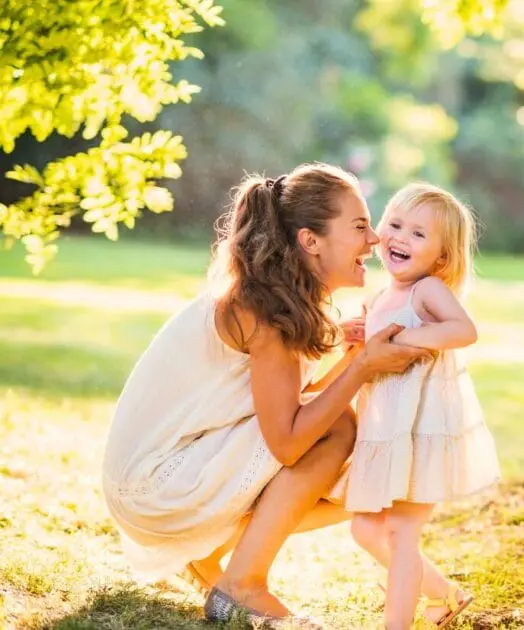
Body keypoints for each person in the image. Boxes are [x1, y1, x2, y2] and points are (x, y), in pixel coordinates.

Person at [101, 163, 431, 622]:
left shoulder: (278, 298)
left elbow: (285, 401)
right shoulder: (265, 311)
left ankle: (214, 555)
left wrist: (348, 352)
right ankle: (243, 585)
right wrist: (362, 367)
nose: (374, 239)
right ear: (310, 241)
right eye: (359, 227)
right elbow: (289, 441)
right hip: (153, 486)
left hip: (157, 475)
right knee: (338, 429)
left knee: (359, 469)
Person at [329, 183, 501, 629]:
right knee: (366, 529)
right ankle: (444, 595)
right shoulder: (379, 296)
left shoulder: (427, 290)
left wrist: (407, 337)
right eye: (396, 224)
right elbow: (372, 354)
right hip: (386, 431)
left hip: (421, 432)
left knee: (400, 533)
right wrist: (357, 337)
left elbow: (463, 330)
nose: (401, 238)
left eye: (419, 234)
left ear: (442, 257)